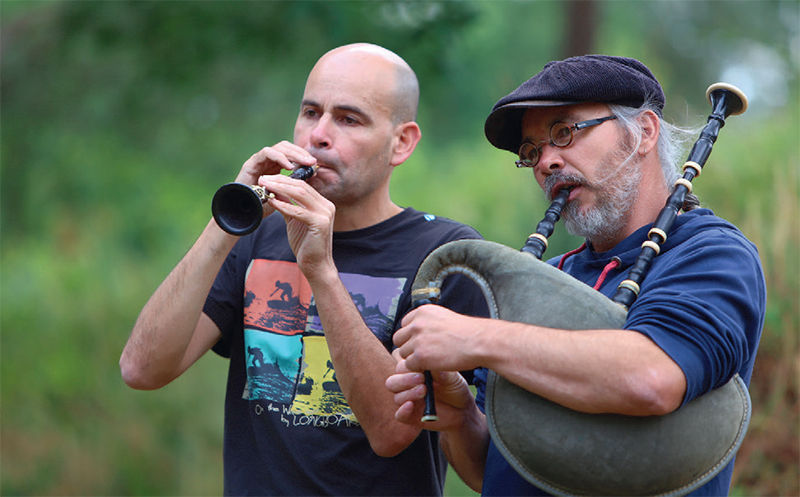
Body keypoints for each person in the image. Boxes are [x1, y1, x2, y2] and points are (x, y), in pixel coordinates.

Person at [386, 55, 766, 496]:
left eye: (564, 133)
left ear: (644, 131)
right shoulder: (546, 278)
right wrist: (460, 418)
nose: (545, 162)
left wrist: (476, 339)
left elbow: (652, 378)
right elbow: (502, 469)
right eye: (532, 151)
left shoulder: (711, 254)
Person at [120, 43, 485, 496]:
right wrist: (229, 220)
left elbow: (393, 433)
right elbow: (142, 369)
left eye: (349, 119)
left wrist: (321, 270)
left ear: (402, 142)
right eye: (311, 113)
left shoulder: (446, 253)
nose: (318, 135)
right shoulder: (256, 238)